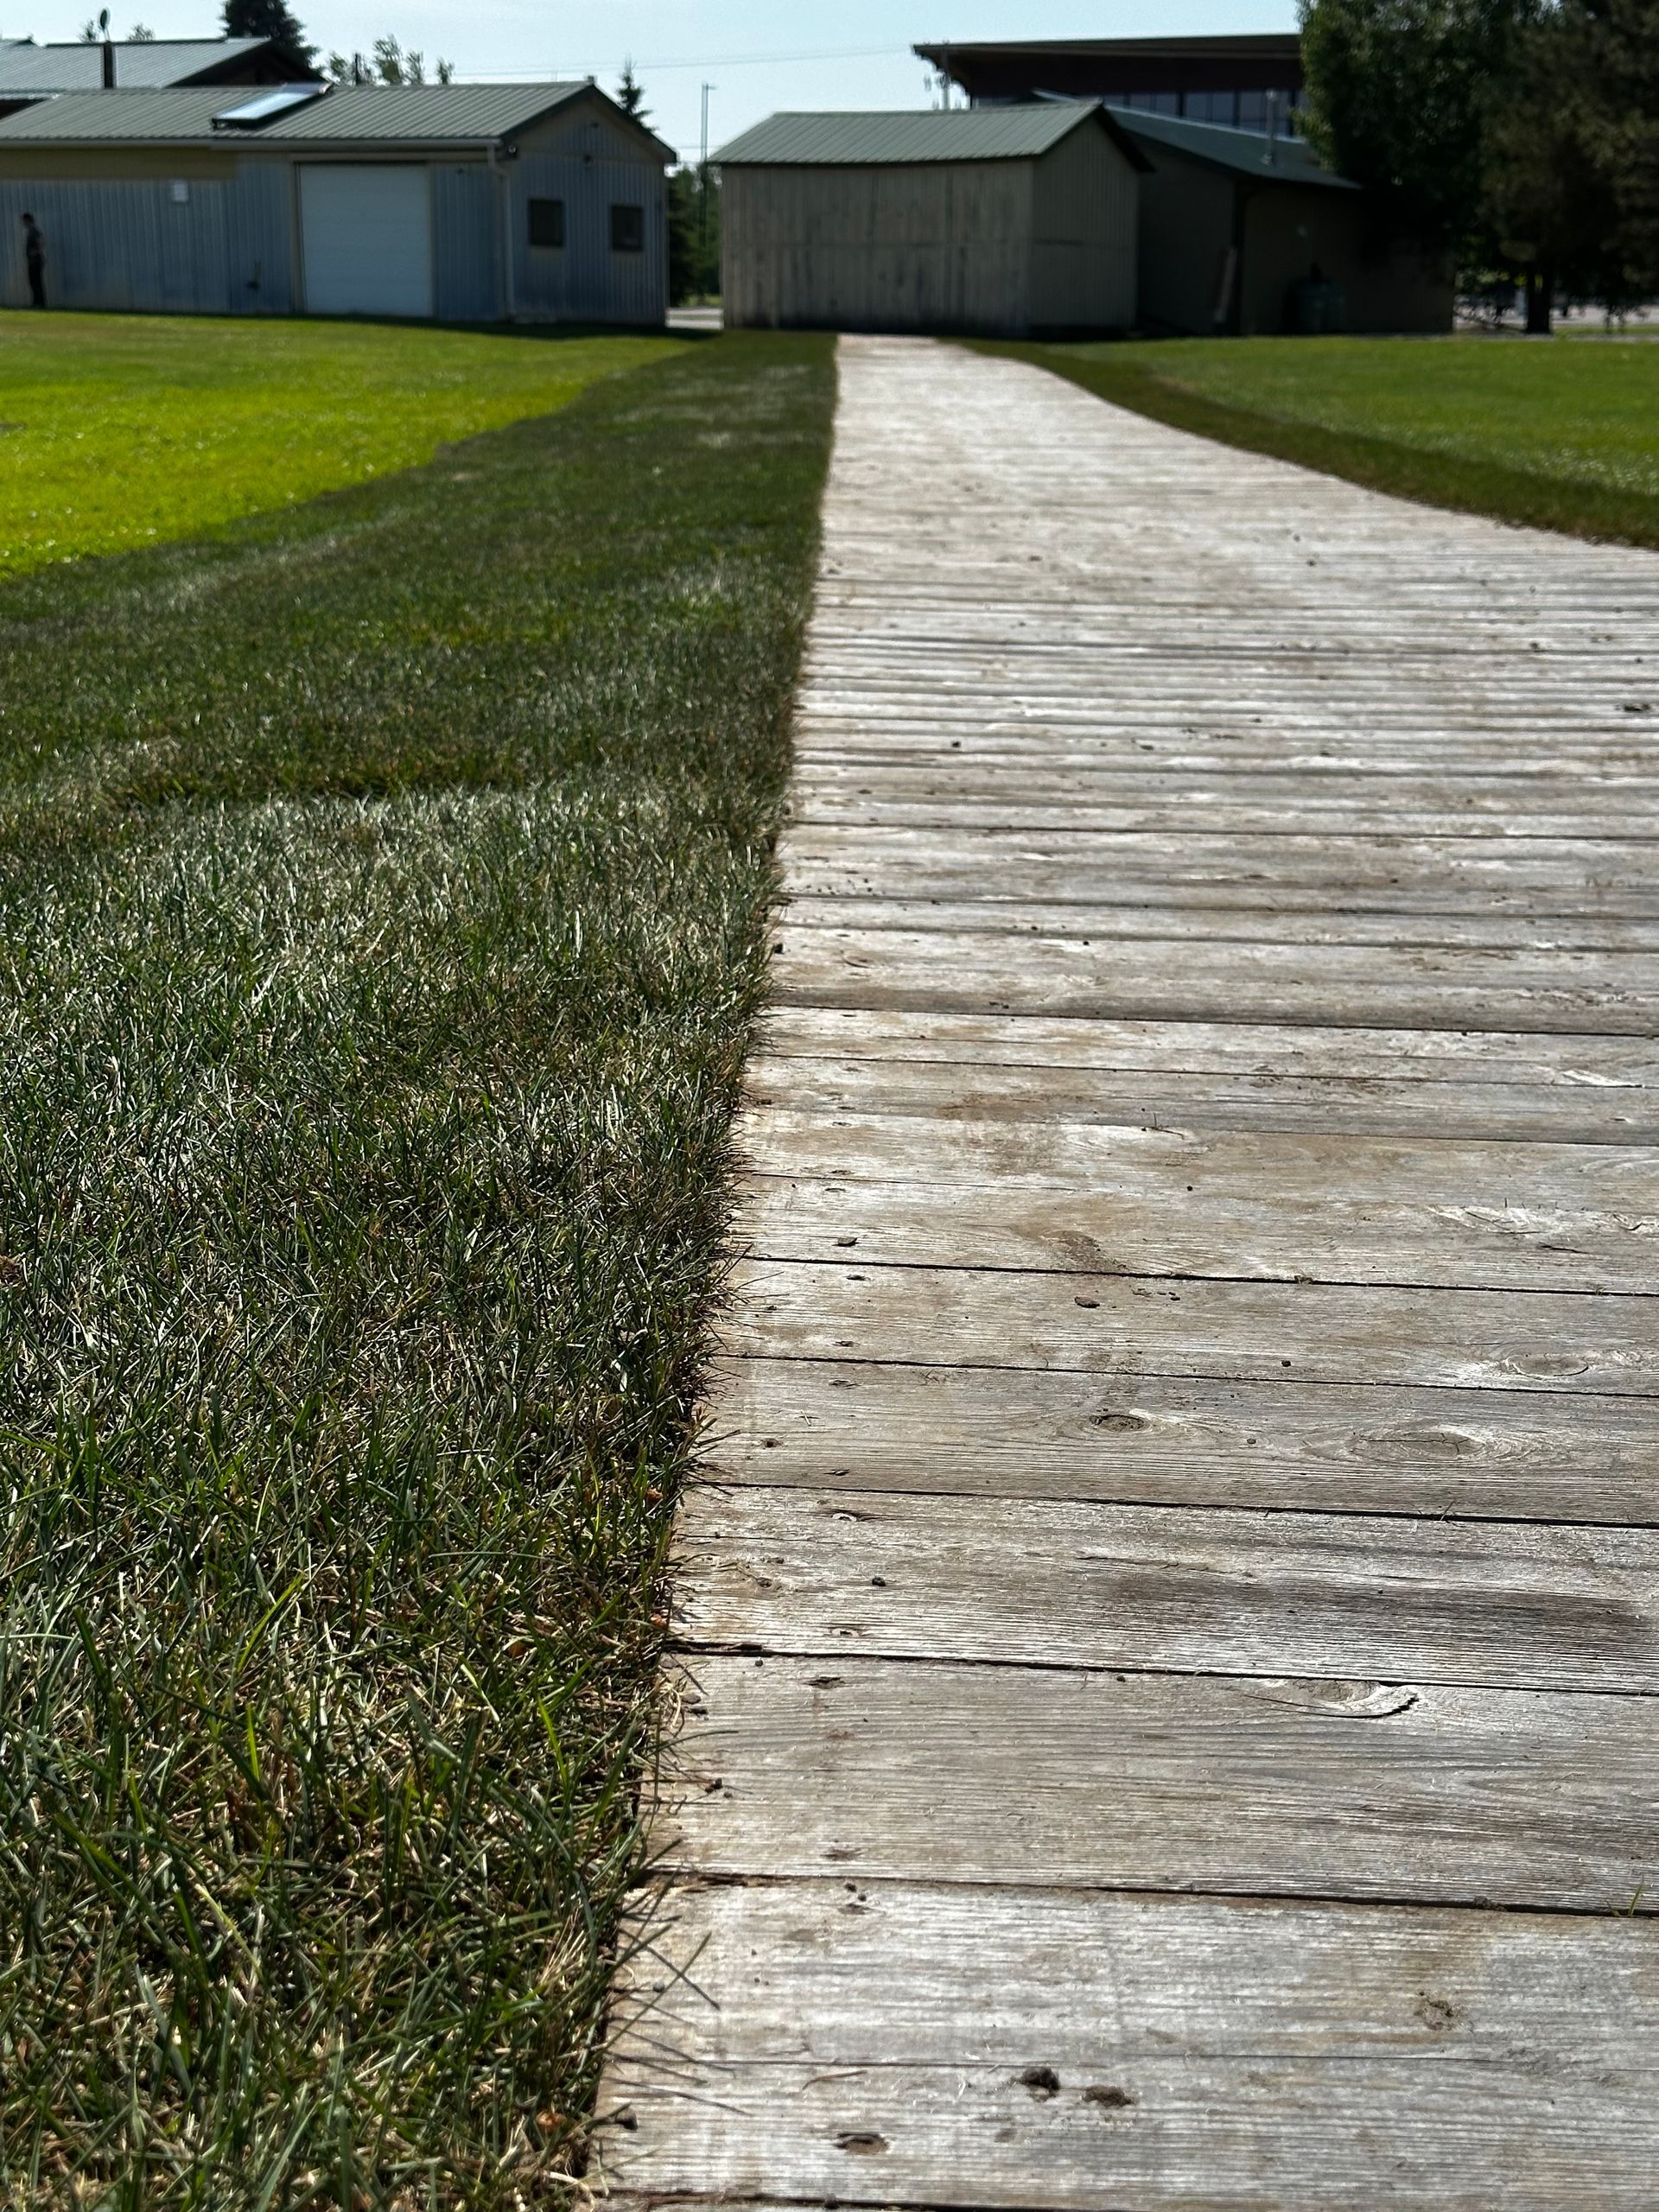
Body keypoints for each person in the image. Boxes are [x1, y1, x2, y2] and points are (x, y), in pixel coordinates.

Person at [22, 212, 44, 308]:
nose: (23, 223)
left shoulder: (34, 231)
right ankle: (36, 302)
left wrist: (36, 252)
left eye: (24, 221)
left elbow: (40, 242)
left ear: (28, 220)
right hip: (32, 260)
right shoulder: (31, 231)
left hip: (35, 260)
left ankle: (40, 303)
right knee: (33, 282)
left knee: (36, 281)